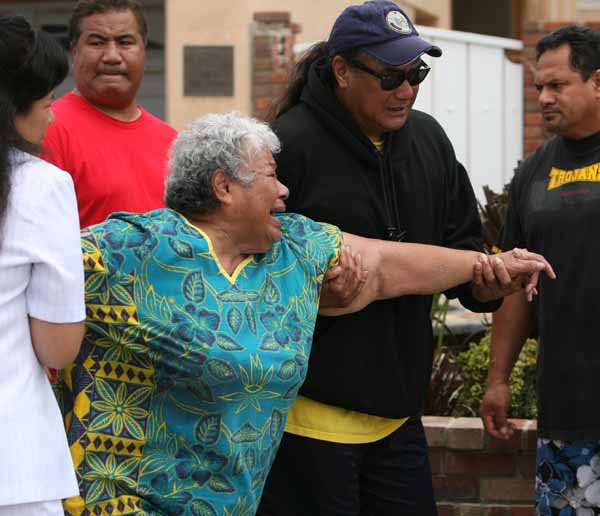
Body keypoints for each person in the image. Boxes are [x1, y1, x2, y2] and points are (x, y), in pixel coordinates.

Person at [57, 111, 554, 516]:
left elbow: (384, 265)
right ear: (224, 187)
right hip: (118, 499)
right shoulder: (130, 249)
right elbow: (27, 277)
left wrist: (484, 265)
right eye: (271, 177)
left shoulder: (294, 247)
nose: (284, 190)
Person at [257, 2, 507, 515]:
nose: (408, 90)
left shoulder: (430, 140)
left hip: (398, 421)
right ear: (342, 71)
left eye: (417, 72)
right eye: (392, 76)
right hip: (305, 424)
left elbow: (462, 251)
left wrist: (488, 282)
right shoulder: (289, 145)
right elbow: (248, 268)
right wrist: (312, 287)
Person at [480, 24, 600, 514]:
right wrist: (498, 378)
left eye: (558, 85)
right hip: (568, 410)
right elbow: (513, 284)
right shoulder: (533, 171)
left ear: (597, 82)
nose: (544, 98)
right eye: (539, 88)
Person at [0, 15, 85, 516]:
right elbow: (58, 345)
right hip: (14, 462)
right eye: (50, 101)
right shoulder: (40, 186)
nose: (53, 116)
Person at [43, 0, 177, 228]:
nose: (112, 56)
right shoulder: (48, 130)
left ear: (143, 50)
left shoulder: (172, 141)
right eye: (97, 43)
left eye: (125, 42)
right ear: (75, 51)